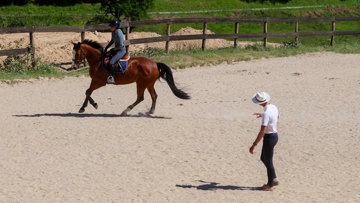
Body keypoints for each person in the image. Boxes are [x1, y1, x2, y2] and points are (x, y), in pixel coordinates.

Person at [249, 92, 279, 191]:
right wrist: (264, 115)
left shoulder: (266, 114)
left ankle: (270, 184)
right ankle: (273, 179)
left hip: (269, 138)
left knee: (268, 161)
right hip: (274, 136)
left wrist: (254, 144)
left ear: (259, 103)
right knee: (264, 158)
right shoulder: (273, 107)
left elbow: (262, 131)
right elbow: (276, 117)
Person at [104, 19, 126, 83]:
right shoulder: (113, 32)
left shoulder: (119, 33)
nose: (110, 27)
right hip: (116, 49)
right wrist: (107, 47)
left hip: (121, 50)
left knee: (111, 62)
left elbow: (121, 45)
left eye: (112, 26)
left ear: (116, 27)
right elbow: (112, 41)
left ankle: (113, 77)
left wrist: (113, 49)